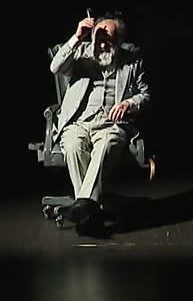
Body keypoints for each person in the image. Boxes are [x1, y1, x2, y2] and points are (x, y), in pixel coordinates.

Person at [50, 12, 152, 233]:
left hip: (111, 125)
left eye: (109, 40)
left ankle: (85, 213)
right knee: (74, 146)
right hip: (78, 122)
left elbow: (145, 95)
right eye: (99, 38)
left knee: (107, 143)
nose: (102, 44)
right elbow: (55, 68)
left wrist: (128, 103)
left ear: (119, 41)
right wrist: (77, 36)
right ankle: (89, 211)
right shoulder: (81, 53)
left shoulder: (132, 61)